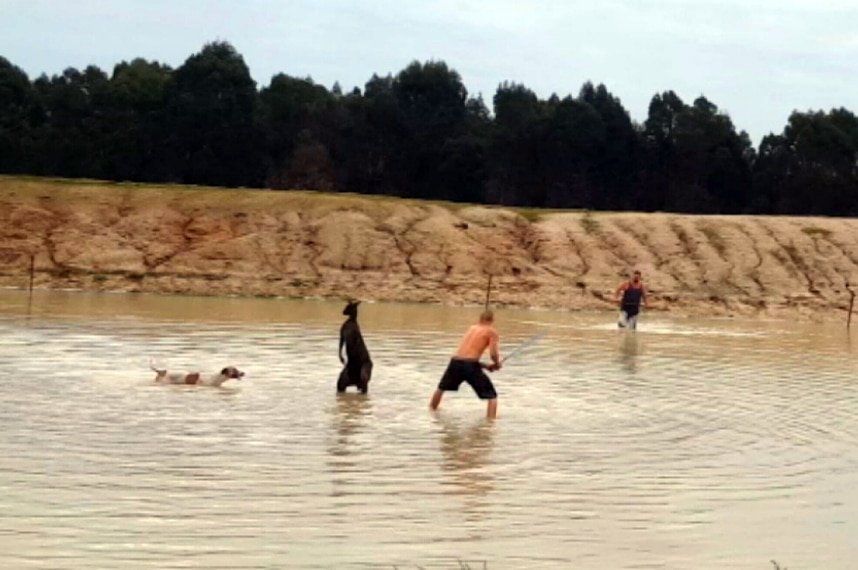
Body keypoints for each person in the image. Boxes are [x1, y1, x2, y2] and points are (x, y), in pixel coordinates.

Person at [430, 310, 502, 419]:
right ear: (492, 320)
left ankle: (432, 411)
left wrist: (486, 366)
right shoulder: (491, 332)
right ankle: (490, 424)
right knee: (492, 396)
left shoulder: (472, 328)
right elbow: (493, 354)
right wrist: (497, 363)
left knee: (441, 388)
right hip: (470, 365)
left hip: (455, 362)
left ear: (480, 319)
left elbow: (466, 356)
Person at [337, 300, 373, 394]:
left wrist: (340, 353)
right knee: (340, 385)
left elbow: (342, 341)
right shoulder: (347, 327)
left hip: (363, 362)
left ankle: (362, 395)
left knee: (363, 380)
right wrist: (340, 354)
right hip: (352, 362)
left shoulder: (352, 327)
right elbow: (342, 341)